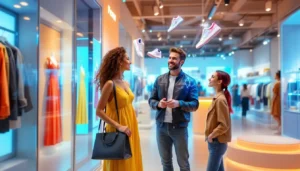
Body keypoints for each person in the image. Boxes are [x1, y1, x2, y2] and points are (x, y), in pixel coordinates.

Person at [148, 47, 199, 171]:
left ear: (181, 62)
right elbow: (151, 100)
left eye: (174, 58)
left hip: (180, 128)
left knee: (183, 164)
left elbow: (195, 104)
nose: (170, 60)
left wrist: (179, 103)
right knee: (165, 162)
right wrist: (158, 104)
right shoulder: (159, 79)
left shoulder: (190, 82)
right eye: (170, 58)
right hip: (161, 127)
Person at [95, 47, 143, 171]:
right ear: (119, 62)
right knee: (121, 164)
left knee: (130, 160)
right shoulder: (110, 84)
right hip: (118, 127)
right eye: (127, 59)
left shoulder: (125, 83)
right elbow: (99, 111)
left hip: (130, 125)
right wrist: (118, 126)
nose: (130, 62)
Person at [205, 70, 232, 171]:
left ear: (219, 82)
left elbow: (224, 125)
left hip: (217, 142)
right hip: (216, 143)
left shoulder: (220, 100)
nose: (209, 79)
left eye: (212, 77)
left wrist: (211, 136)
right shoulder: (218, 97)